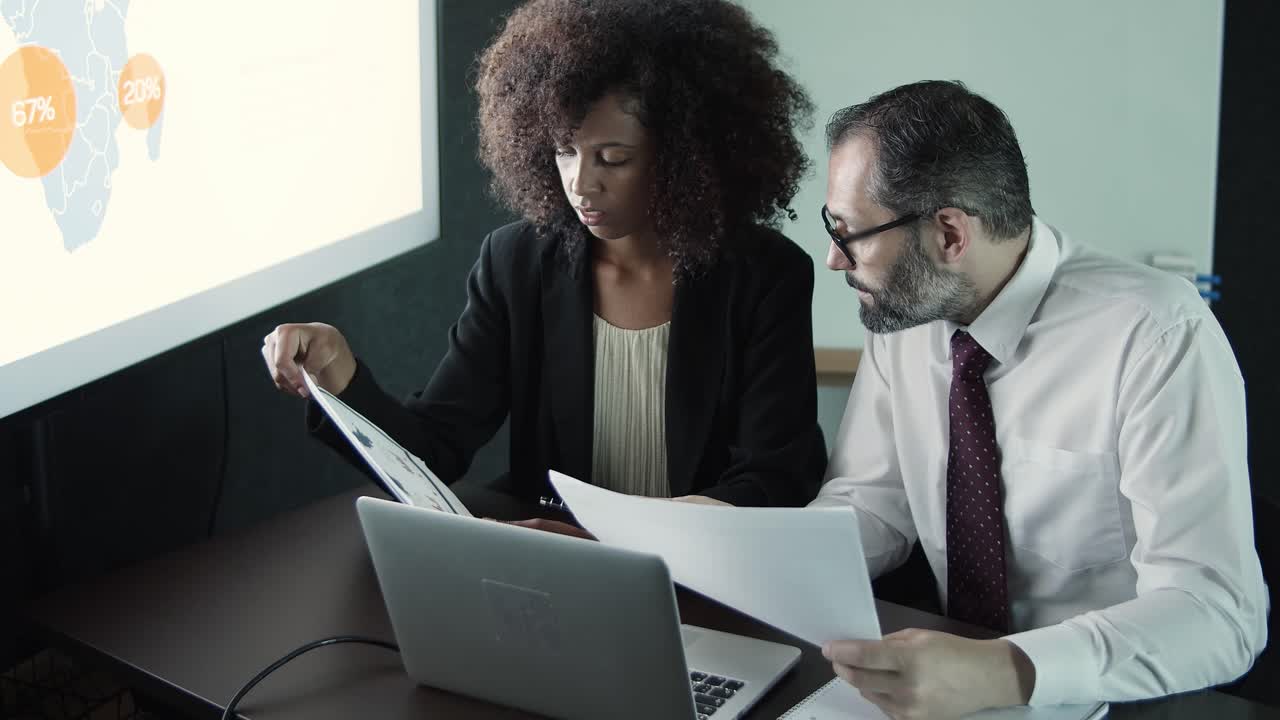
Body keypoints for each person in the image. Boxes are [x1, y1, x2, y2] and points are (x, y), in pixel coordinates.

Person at [261, 0, 827, 523]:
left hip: (708, 582)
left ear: (685, 153)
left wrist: (631, 544)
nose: (582, 184)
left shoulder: (765, 275)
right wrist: (337, 379)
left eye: (613, 158)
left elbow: (773, 479)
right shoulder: (517, 263)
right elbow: (435, 446)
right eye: (563, 151)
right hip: (558, 569)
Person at [810, 80, 1267, 718]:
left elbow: (1218, 613)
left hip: (1113, 696)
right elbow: (871, 503)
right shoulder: (906, 315)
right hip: (941, 686)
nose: (834, 258)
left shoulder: (1156, 334)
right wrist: (742, 555)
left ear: (949, 234)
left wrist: (1006, 671)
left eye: (850, 232)